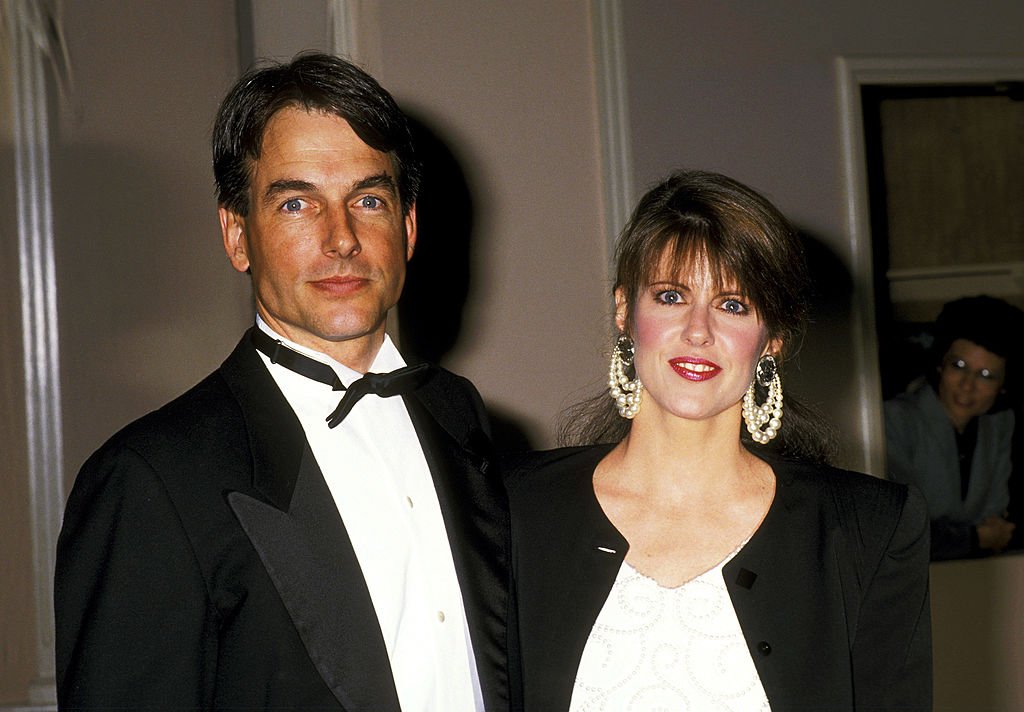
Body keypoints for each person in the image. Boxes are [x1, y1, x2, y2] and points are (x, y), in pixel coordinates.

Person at [55, 52, 513, 711]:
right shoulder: (149, 480)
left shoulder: (457, 415)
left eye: (369, 199)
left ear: (408, 229)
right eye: (297, 203)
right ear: (237, 236)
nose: (342, 238)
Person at [506, 170, 932, 711]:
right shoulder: (513, 509)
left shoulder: (870, 529)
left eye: (733, 305)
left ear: (772, 337)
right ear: (624, 311)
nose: (698, 330)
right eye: (670, 296)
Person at [885, 295, 1021, 560]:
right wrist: (974, 538)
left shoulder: (999, 425)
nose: (967, 385)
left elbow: (994, 515)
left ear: (1002, 385)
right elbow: (898, 530)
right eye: (959, 366)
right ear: (940, 364)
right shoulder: (896, 419)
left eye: (985, 375)